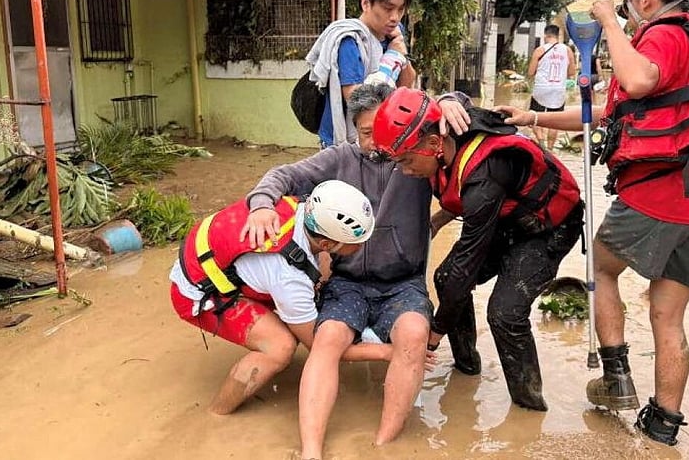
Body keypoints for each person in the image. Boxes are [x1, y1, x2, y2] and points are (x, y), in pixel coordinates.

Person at [495, 0, 689, 446]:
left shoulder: (665, 34)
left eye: (630, 7)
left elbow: (637, 82)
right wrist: (532, 118)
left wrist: (608, 19)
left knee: (602, 266)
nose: (628, 17)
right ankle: (662, 427)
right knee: (668, 316)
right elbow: (604, 113)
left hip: (663, 192)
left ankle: (616, 377)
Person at [241, 83, 468, 458]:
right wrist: (262, 204)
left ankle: (384, 445)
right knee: (328, 337)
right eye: (367, 133)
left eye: (385, 132)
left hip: (403, 282)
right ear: (354, 130)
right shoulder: (338, 159)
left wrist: (448, 100)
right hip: (347, 283)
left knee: (413, 333)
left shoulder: (414, 154)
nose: (380, 143)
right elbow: (284, 175)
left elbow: (456, 122)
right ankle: (311, 450)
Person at [370, 87, 584, 412]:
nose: (405, 171)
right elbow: (457, 104)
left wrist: (435, 331)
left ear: (432, 145)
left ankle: (528, 409)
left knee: (504, 313)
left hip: (547, 228)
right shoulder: (448, 129)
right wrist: (441, 218)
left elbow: (467, 266)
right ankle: (466, 368)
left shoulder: (485, 175)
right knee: (444, 278)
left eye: (407, 161)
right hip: (507, 217)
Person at [169, 179, 385, 415]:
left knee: (323, 274)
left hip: (212, 260)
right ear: (325, 242)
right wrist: (386, 352)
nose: (363, 246)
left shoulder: (302, 206)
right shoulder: (288, 277)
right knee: (280, 347)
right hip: (195, 292)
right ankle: (218, 413)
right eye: (357, 243)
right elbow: (320, 346)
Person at [306, 0, 417, 147]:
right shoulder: (350, 41)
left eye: (401, 9)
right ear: (366, 3)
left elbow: (406, 85)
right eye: (388, 8)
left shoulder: (394, 33)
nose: (395, 17)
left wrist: (400, 54)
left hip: (381, 134)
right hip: (346, 142)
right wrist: (391, 60)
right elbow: (357, 100)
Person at [527, 24, 575, 151]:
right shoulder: (567, 50)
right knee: (555, 121)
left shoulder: (540, 50)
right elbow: (571, 72)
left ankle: (541, 143)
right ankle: (550, 149)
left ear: (546, 35)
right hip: (558, 89)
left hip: (541, 89)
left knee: (536, 117)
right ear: (558, 35)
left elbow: (531, 72)